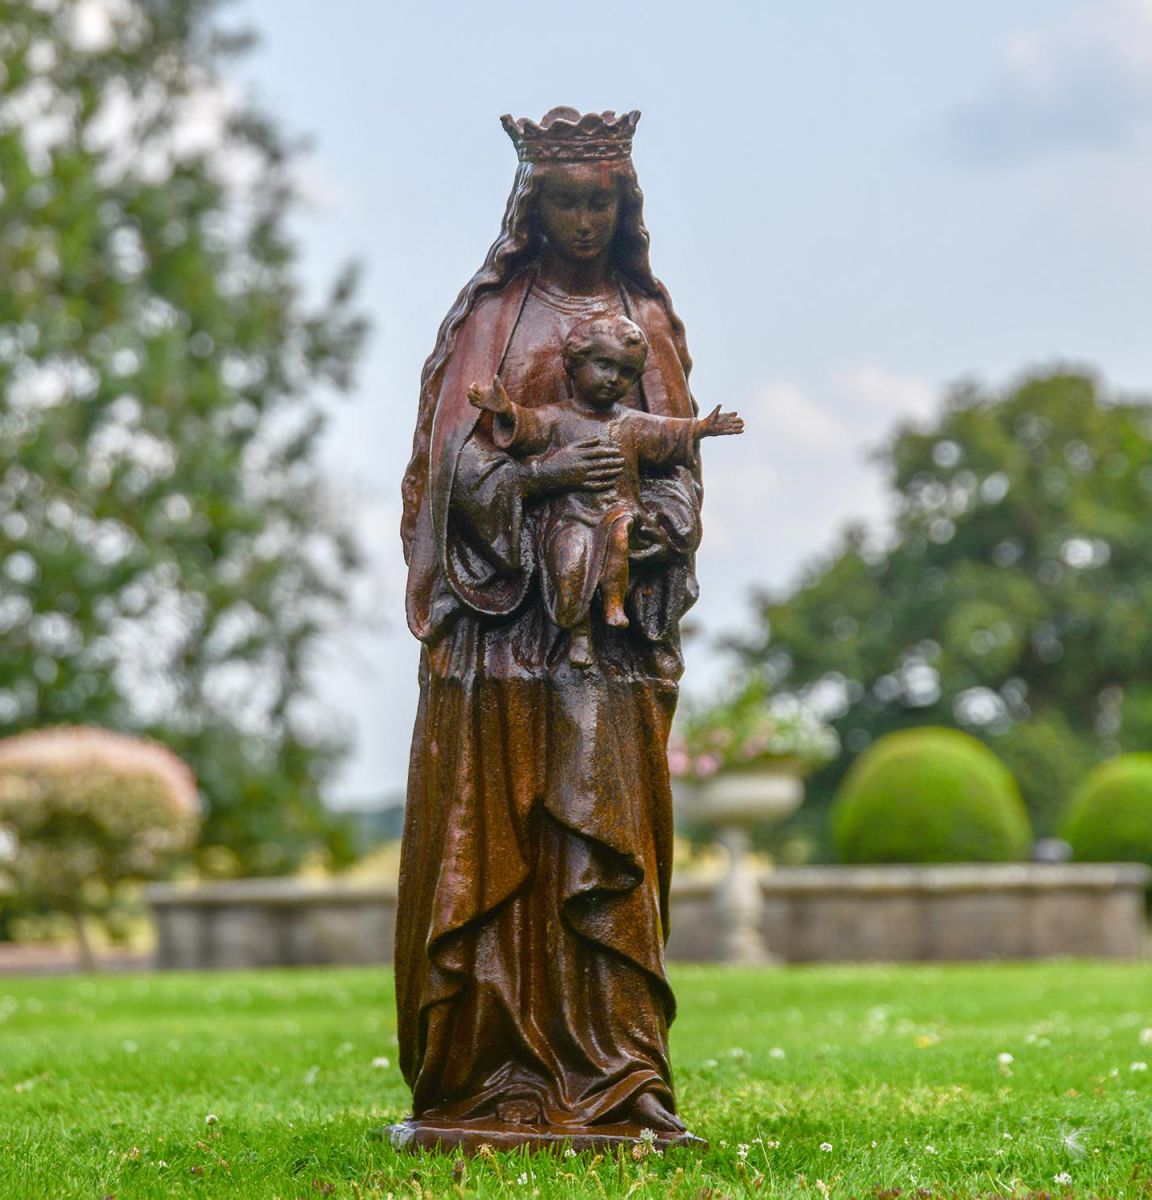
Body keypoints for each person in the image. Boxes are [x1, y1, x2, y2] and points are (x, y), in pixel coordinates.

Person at [397, 107, 714, 1141]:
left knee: (607, 845)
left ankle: (620, 1076)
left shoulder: (645, 321)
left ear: (627, 208)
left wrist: (662, 531)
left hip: (608, 651)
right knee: (496, 847)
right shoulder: (493, 319)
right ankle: (484, 1077)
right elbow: (451, 473)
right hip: (502, 641)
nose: (586, 219)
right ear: (531, 208)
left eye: (603, 201)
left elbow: (675, 472)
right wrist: (539, 478)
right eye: (568, 200)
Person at [467, 314, 742, 668]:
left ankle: (613, 603)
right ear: (574, 364)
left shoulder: (631, 422)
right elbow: (527, 427)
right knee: (569, 563)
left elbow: (666, 433)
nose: (614, 379)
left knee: (620, 534)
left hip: (619, 509)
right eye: (604, 365)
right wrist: (504, 408)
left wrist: (702, 428)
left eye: (626, 373)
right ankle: (578, 632)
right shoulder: (557, 418)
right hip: (571, 518)